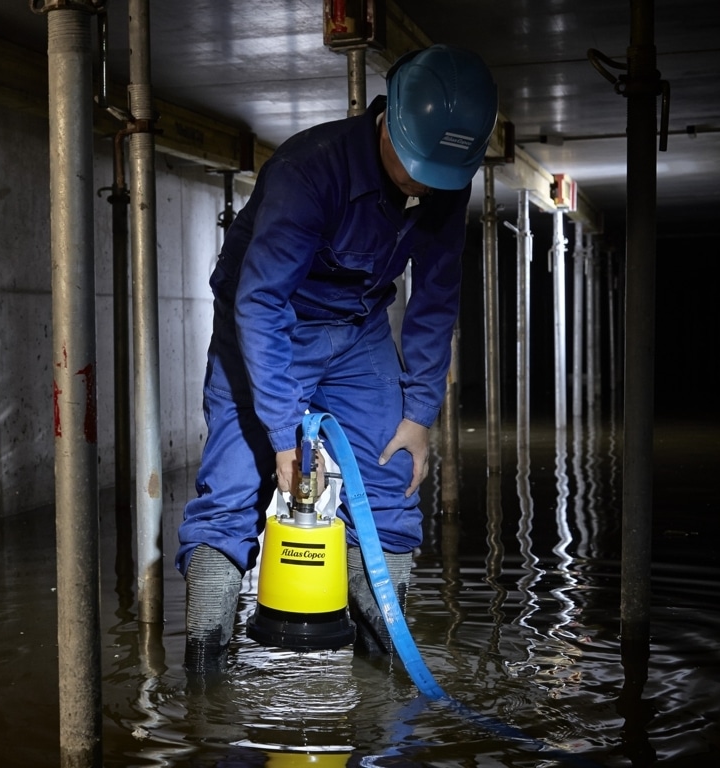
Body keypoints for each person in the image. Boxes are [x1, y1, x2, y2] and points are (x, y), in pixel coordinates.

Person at [176, 44, 499, 672]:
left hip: (357, 330)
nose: (426, 184)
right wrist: (281, 436)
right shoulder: (310, 170)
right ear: (388, 122)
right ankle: (206, 665)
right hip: (270, 326)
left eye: (441, 175)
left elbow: (435, 299)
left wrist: (419, 414)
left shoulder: (447, 177)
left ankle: (386, 655)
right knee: (234, 489)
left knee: (389, 479)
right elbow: (261, 301)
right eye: (416, 168)